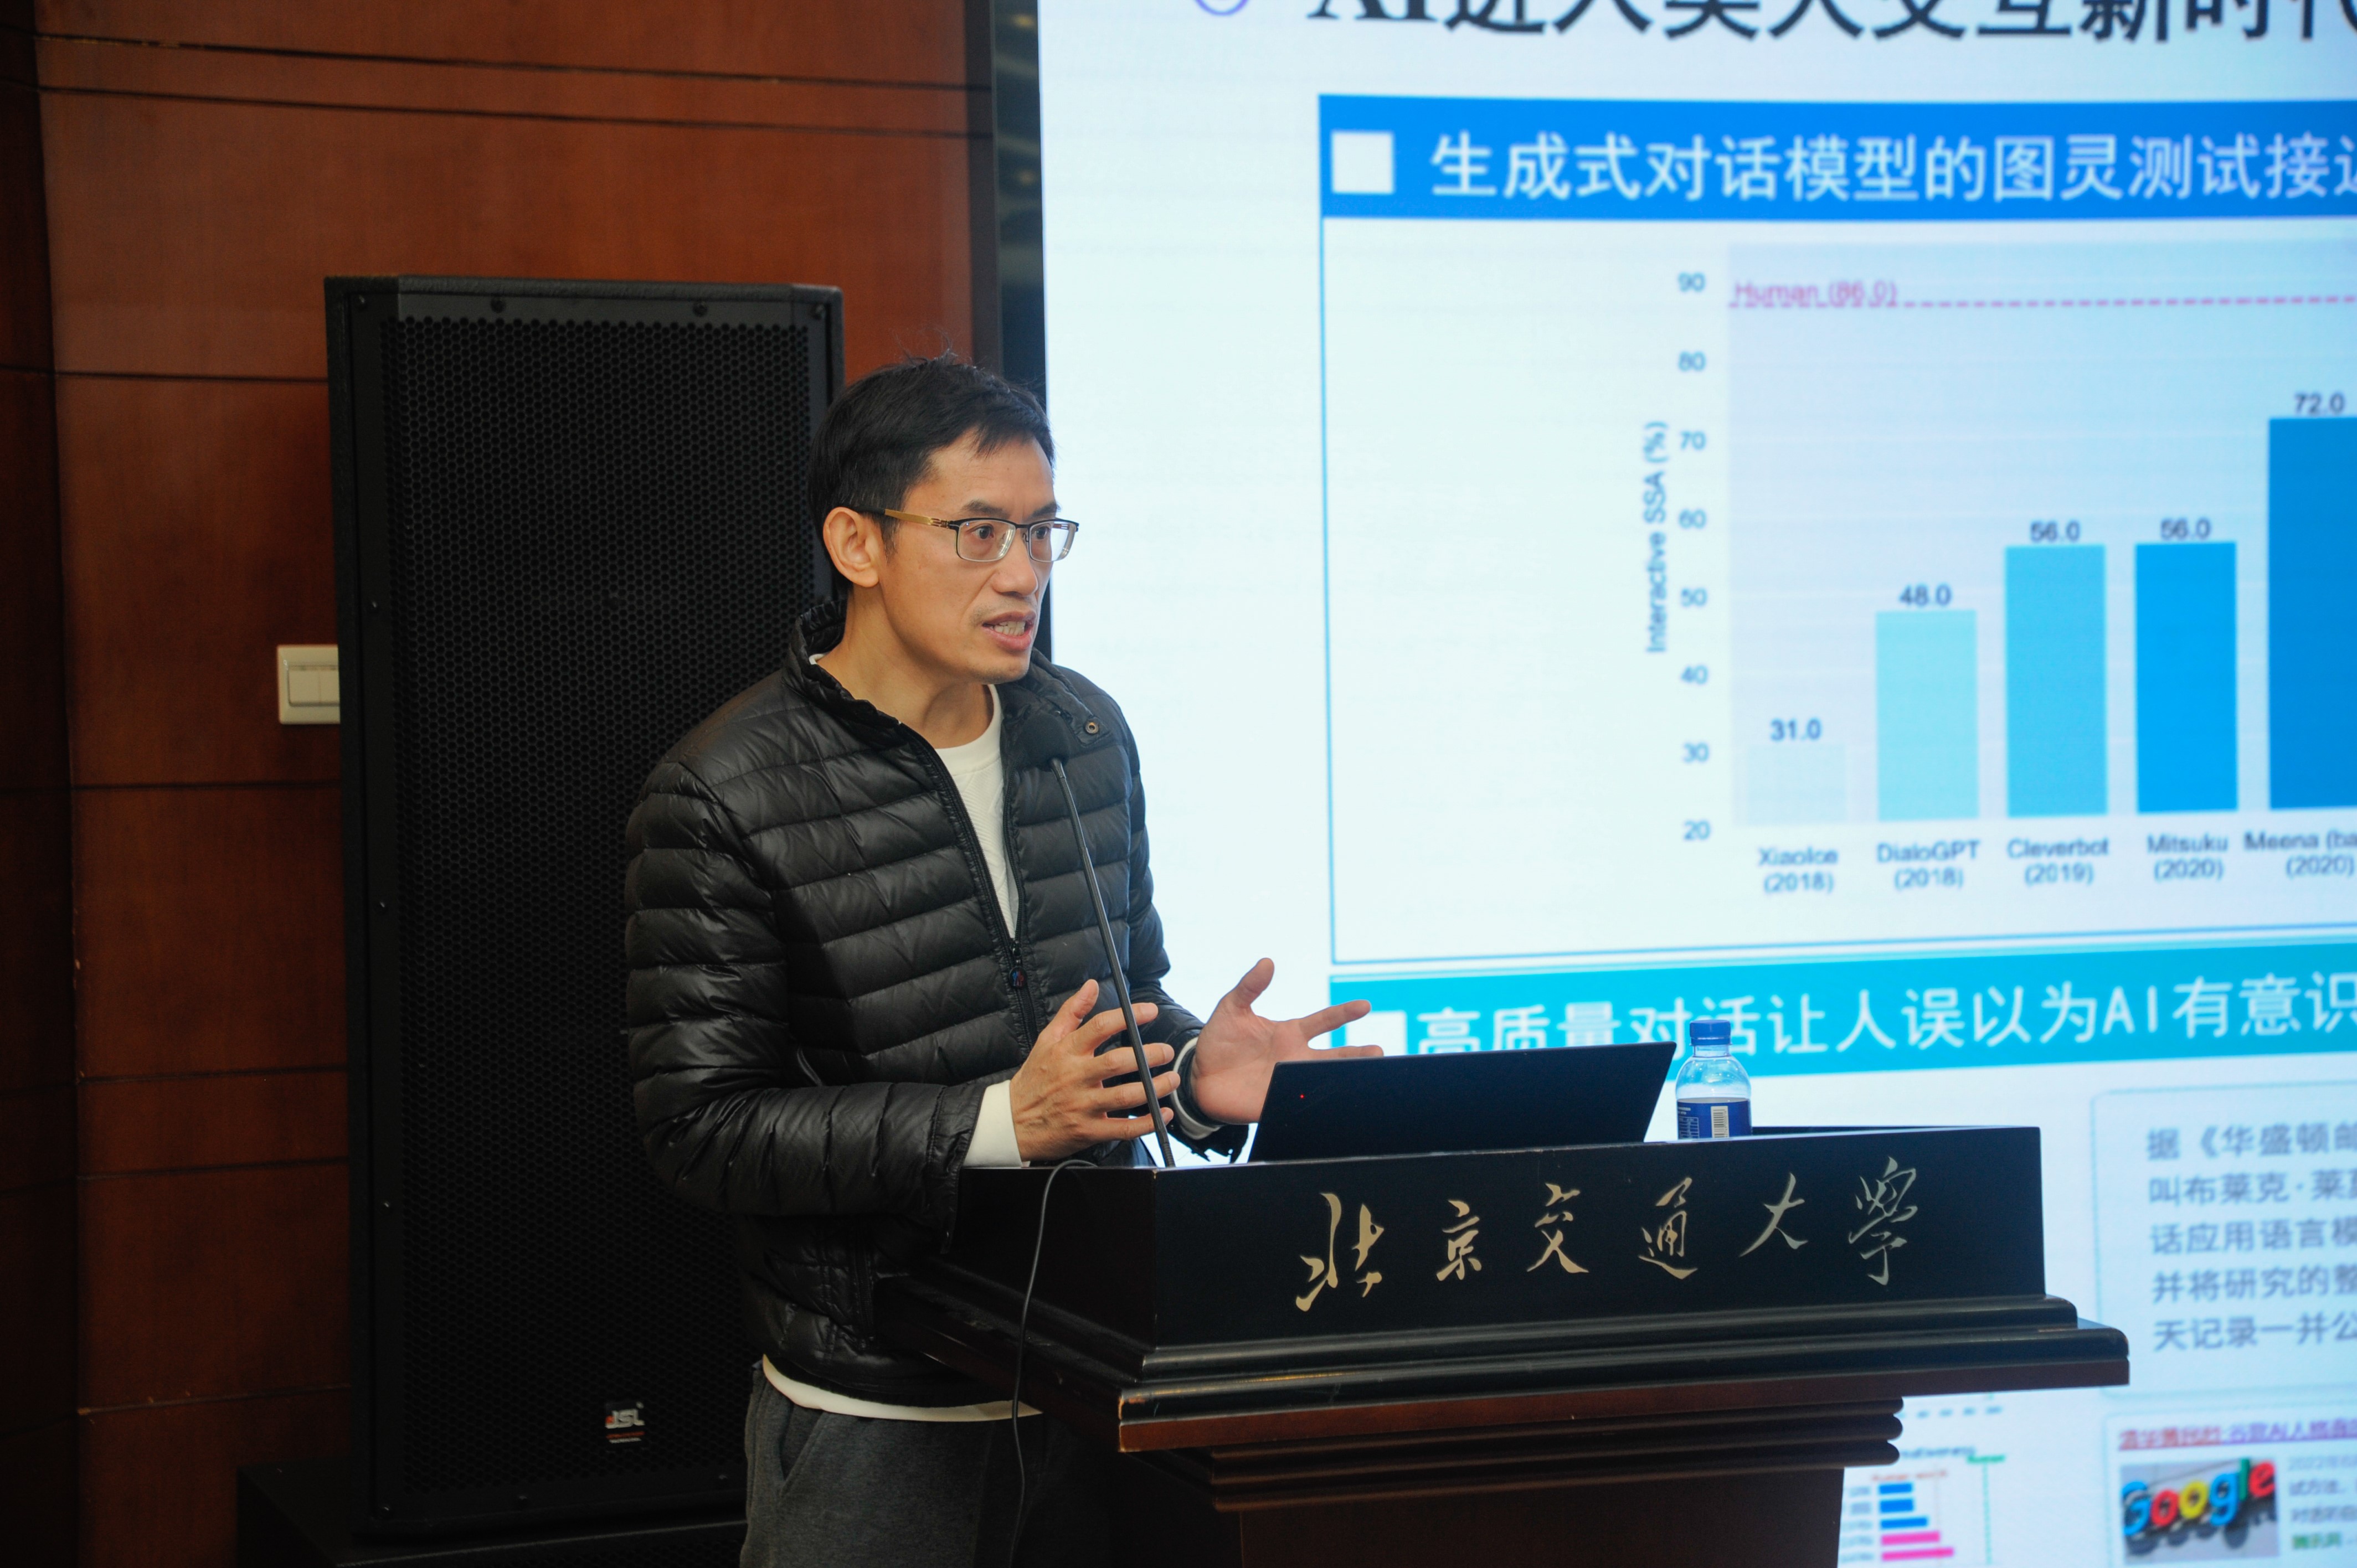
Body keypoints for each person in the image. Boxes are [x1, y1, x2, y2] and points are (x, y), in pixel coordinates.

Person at [622, 354, 1375, 1566]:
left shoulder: (1084, 732)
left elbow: (1120, 1003)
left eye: (1041, 532)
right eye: (979, 533)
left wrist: (1191, 1073)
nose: (1023, 574)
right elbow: (699, 1131)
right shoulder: (723, 791)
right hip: (877, 1411)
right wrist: (993, 1125)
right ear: (857, 545)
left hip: (1097, 1381)